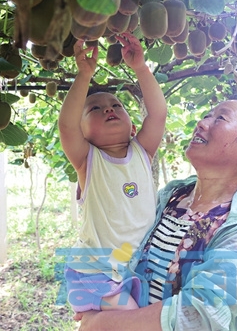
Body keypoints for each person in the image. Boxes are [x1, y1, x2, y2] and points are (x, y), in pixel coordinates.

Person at [74, 93, 237, 330]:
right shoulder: (172, 196)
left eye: (220, 119)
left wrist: (101, 324)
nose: (202, 123)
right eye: (206, 115)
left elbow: (198, 314)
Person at [58, 32, 167, 314]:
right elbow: (66, 127)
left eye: (116, 106)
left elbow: (157, 115)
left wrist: (141, 68)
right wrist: (84, 76)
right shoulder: (88, 160)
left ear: (133, 127)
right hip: (96, 271)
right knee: (134, 322)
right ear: (82, 133)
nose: (109, 108)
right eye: (95, 109)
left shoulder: (142, 151)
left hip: (131, 267)